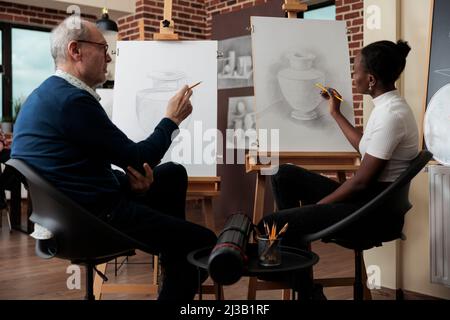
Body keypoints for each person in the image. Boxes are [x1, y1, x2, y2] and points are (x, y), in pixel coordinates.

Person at [11, 16, 217, 300]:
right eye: (103, 48)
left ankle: (173, 259)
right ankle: (178, 262)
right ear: (75, 50)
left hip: (68, 212)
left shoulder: (44, 96)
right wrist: (171, 118)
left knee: (172, 173)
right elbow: (140, 158)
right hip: (91, 219)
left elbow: (77, 167)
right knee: (204, 243)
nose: (109, 57)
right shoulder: (73, 102)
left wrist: (128, 179)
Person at [258, 40, 418, 299]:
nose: (352, 77)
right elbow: (365, 147)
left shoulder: (391, 116)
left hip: (372, 211)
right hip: (369, 199)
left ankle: (306, 287)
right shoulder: (388, 108)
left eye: (355, 70)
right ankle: (295, 255)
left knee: (272, 224)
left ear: (371, 79)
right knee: (282, 173)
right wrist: (335, 112)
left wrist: (318, 207)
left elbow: (361, 183)